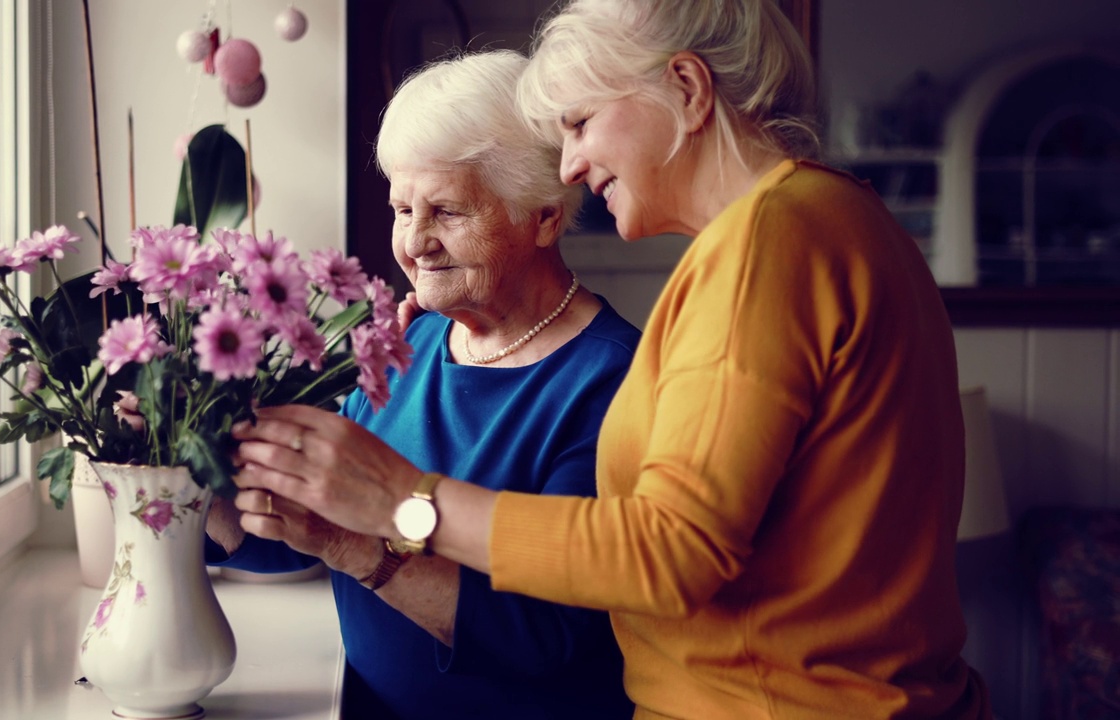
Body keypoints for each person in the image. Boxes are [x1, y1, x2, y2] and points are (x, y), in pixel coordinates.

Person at [233, 1, 995, 718]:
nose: (566, 167)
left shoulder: (769, 242)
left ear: (687, 89)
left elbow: (672, 550)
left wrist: (404, 500)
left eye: (581, 122)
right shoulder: (838, 218)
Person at [208, 49, 639, 720]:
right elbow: (297, 533)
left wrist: (353, 550)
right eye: (401, 207)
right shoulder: (408, 341)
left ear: (545, 216)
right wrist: (170, 473)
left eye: (448, 212)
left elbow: (546, 637)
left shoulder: (610, 382)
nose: (413, 242)